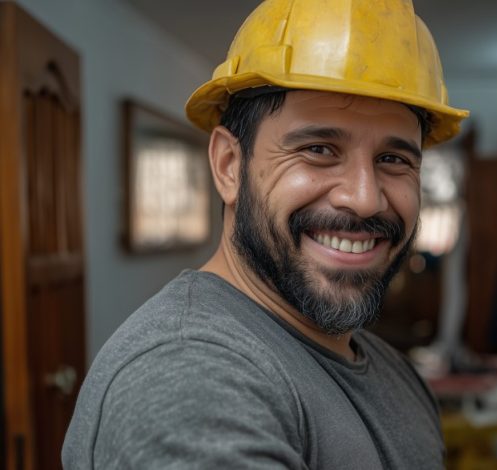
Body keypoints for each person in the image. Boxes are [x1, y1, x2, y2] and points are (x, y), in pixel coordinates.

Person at [62, 0, 468, 468]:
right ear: (229, 166)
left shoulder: (392, 371)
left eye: (394, 160)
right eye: (319, 149)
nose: (364, 198)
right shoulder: (188, 376)